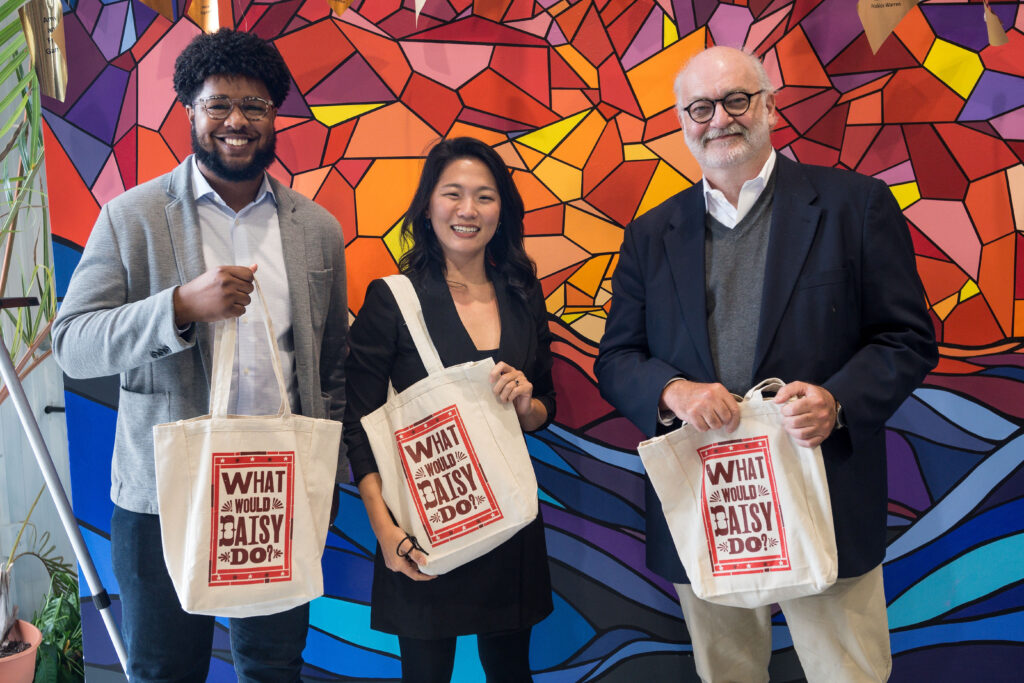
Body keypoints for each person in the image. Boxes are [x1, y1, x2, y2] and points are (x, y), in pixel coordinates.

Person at [594, 46, 937, 682]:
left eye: (736, 99)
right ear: (681, 121)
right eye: (700, 107)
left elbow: (907, 338)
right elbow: (617, 357)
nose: (718, 118)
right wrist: (673, 391)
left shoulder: (854, 206)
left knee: (849, 673)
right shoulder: (649, 234)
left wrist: (837, 403)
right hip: (710, 496)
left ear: (770, 107)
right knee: (728, 673)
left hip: (825, 489)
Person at [51, 28, 347, 682]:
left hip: (277, 489)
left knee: (273, 667)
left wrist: (326, 478)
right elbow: (72, 342)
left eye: (256, 106)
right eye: (219, 104)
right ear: (189, 109)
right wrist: (177, 307)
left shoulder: (318, 231)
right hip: (162, 498)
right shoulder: (133, 217)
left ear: (275, 118)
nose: (237, 120)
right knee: (165, 669)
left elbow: (331, 367)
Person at [343, 137, 554, 682]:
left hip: (509, 519)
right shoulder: (392, 298)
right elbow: (358, 421)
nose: (467, 210)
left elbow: (543, 405)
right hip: (423, 523)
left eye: (484, 196)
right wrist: (383, 529)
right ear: (428, 205)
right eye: (453, 194)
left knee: (512, 671)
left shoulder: (523, 295)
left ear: (501, 209)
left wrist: (528, 404)